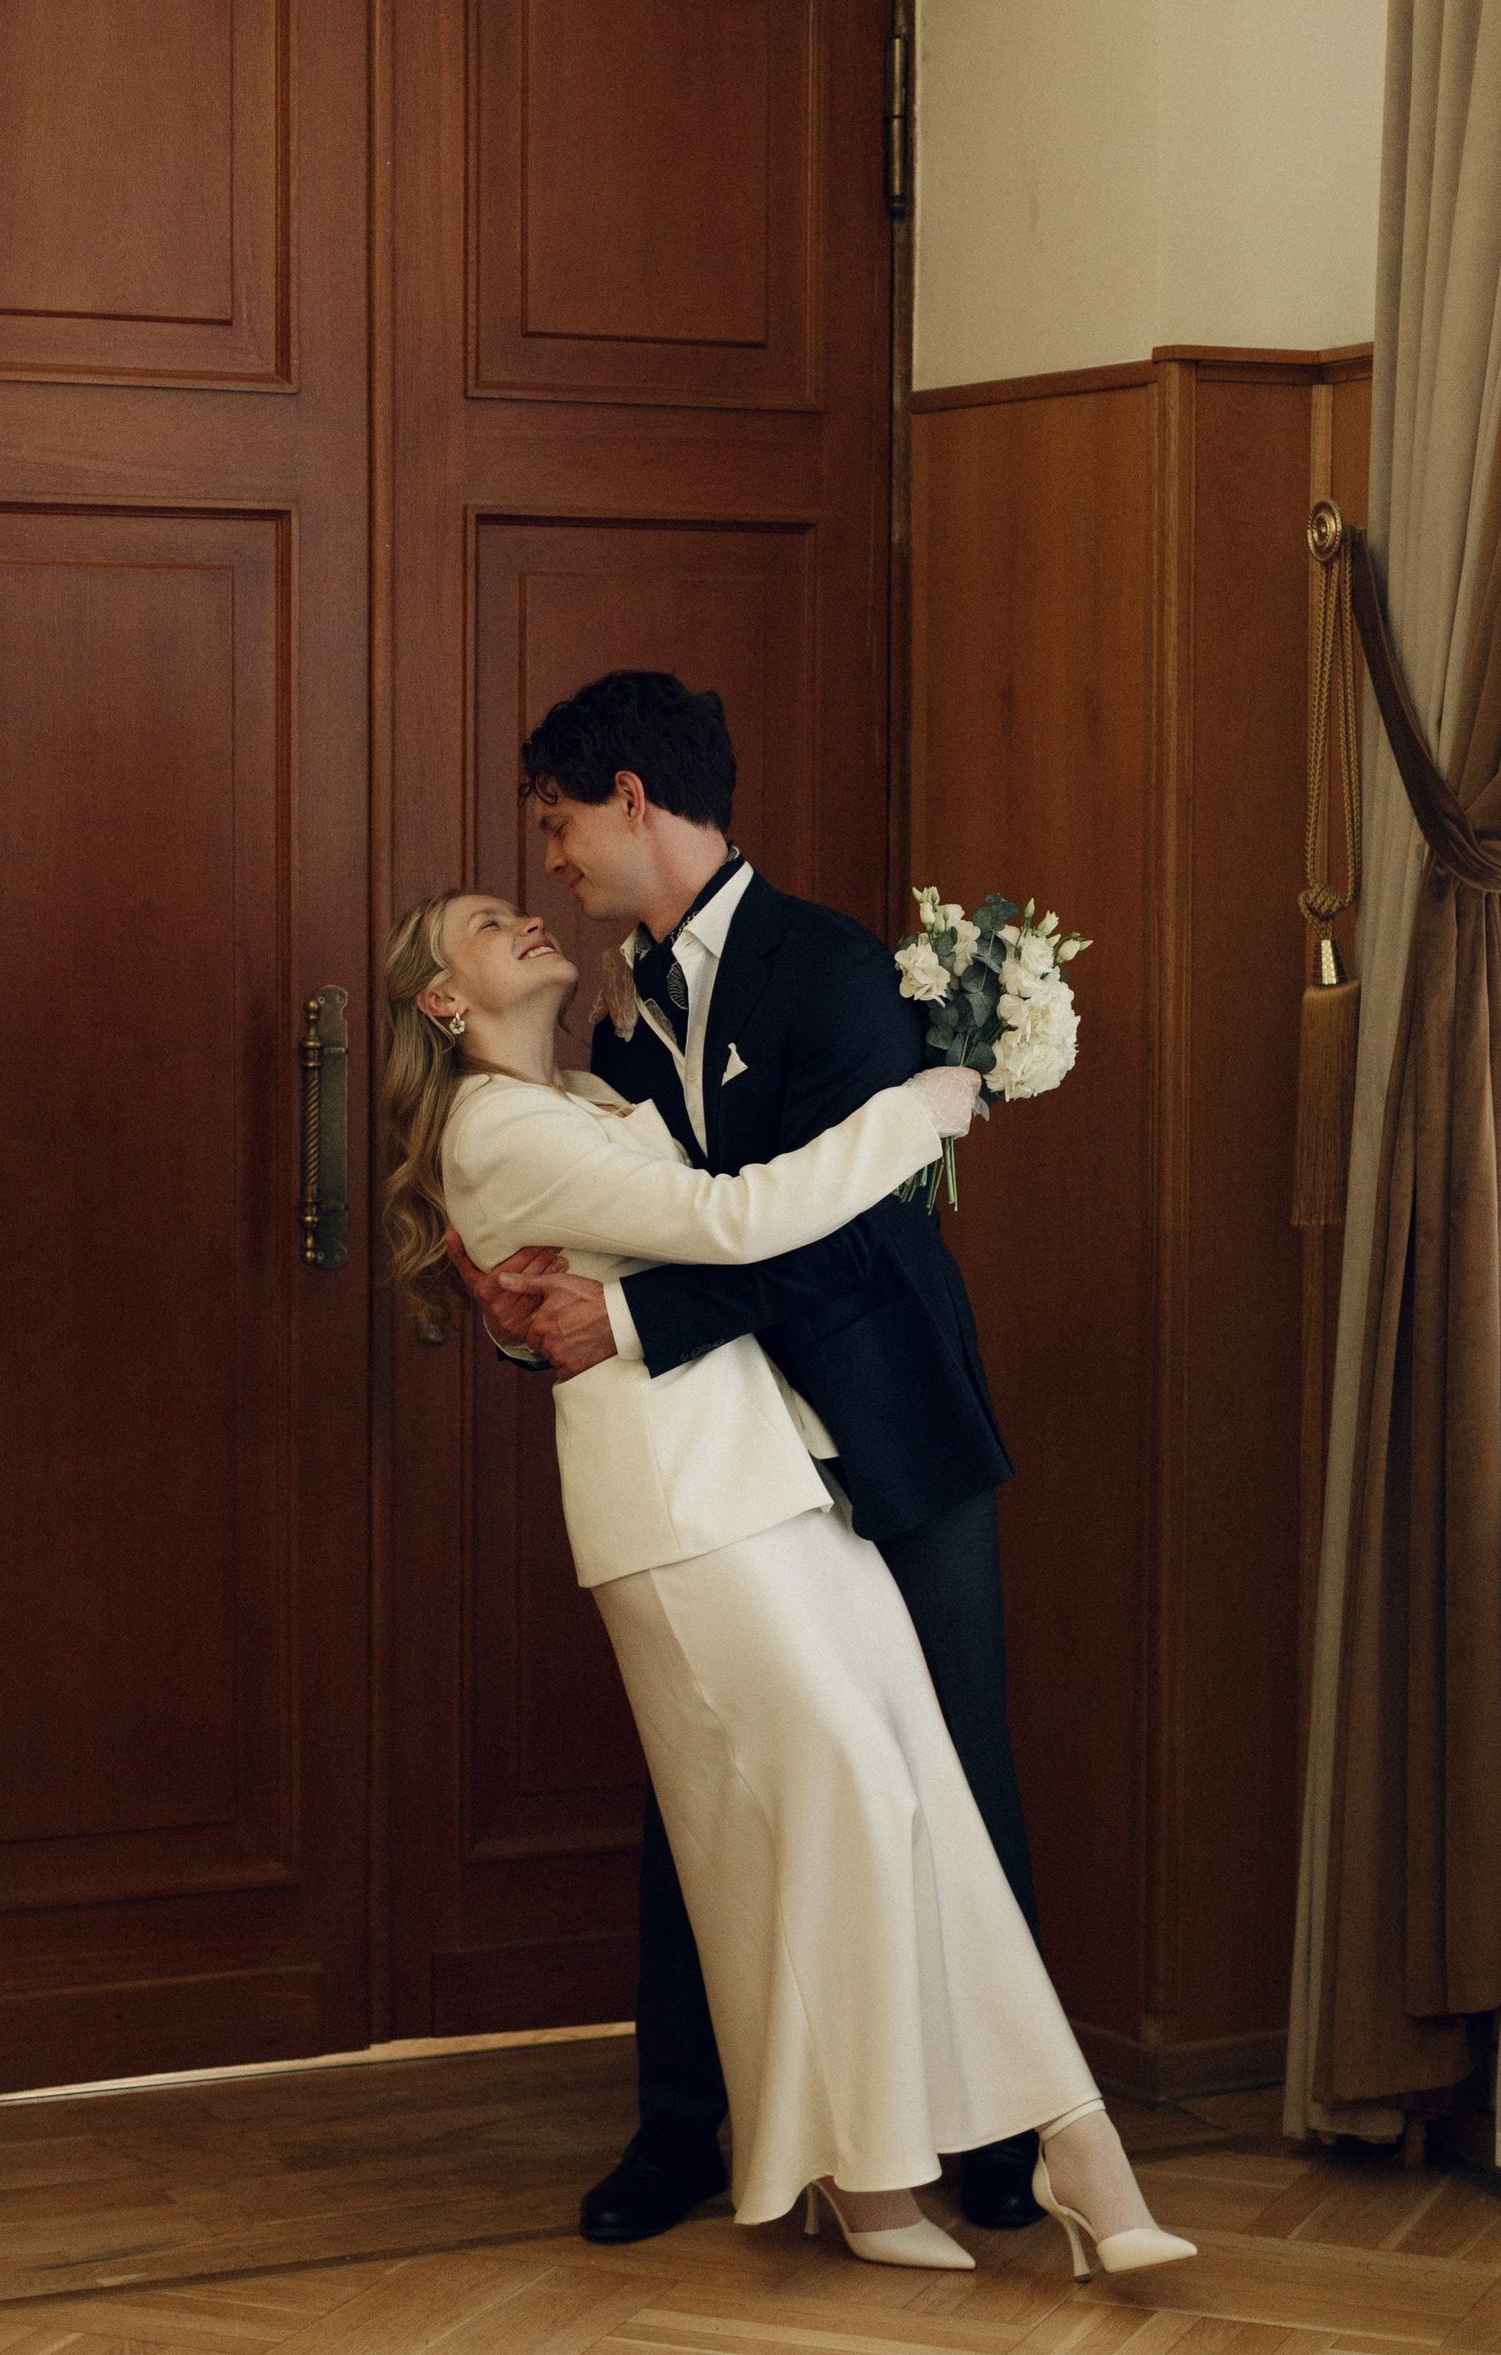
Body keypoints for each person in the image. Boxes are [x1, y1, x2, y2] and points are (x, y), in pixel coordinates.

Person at [382, 881, 1194, 2277]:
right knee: (849, 1804)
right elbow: (730, 1219)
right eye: (484, 920)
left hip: (787, 1475)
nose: (528, 911)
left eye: (529, 886)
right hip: (680, 1510)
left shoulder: (592, 1086)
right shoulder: (496, 1125)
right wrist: (917, 1113)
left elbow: (624, 1266)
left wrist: (558, 1311)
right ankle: (894, 2176)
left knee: (915, 1794)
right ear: (444, 1001)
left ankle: (1050, 2155)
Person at [449, 673, 1052, 2243]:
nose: (555, 860)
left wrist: (632, 1320)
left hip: (892, 1422)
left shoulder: (832, 964)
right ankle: (687, 2127)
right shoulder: (611, 1008)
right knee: (705, 1774)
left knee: (949, 1769)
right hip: (729, 1461)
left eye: (561, 822)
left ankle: (998, 2136)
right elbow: (612, 1227)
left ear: (632, 798)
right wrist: (533, 1322)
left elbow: (840, 1233)